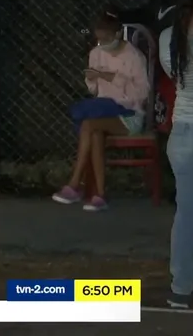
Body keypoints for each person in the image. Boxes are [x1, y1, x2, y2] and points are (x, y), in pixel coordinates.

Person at [51, 11, 150, 211]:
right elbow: (94, 90)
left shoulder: (133, 56)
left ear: (117, 34)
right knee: (92, 128)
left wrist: (110, 76)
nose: (102, 43)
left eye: (105, 39)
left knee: (85, 121)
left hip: (128, 113)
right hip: (101, 110)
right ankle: (99, 194)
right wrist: (92, 78)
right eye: (98, 39)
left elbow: (142, 94)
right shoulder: (96, 53)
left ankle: (74, 185)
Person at [116, 0, 188, 203]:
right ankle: (175, 185)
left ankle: (187, 185)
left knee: (182, 128)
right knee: (164, 127)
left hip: (182, 71)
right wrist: (119, 14)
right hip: (162, 71)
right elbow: (145, 15)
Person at [158, 0, 193, 309]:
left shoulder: (168, 37)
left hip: (183, 132)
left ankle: (181, 287)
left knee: (188, 212)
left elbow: (175, 75)